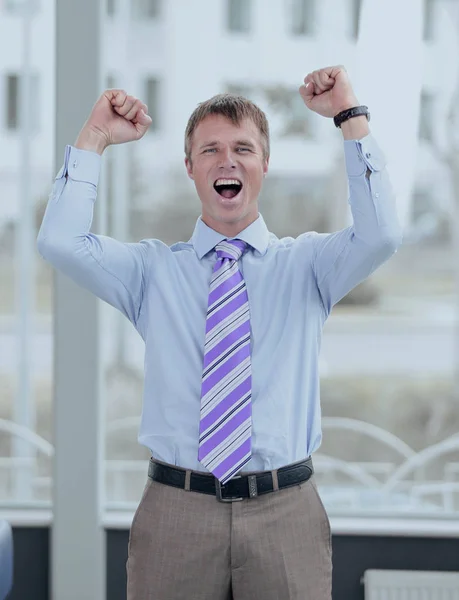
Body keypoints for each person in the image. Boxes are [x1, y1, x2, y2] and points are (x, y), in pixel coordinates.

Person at [37, 65, 402, 599]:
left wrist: (350, 117)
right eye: (210, 150)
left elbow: (382, 233)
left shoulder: (308, 266)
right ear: (190, 168)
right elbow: (60, 243)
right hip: (176, 514)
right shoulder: (151, 273)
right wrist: (93, 138)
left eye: (243, 148)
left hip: (285, 512)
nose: (227, 160)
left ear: (265, 165)